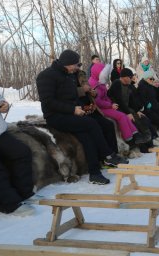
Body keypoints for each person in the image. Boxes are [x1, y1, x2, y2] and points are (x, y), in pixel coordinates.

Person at [37, 49, 125, 185]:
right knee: (91, 124)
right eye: (77, 65)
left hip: (71, 113)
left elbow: (72, 97)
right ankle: (108, 155)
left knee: (87, 138)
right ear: (68, 63)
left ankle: (95, 174)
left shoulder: (70, 74)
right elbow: (48, 102)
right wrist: (73, 110)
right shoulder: (46, 76)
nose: (78, 68)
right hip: (55, 116)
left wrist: (82, 107)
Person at [0, 84, 36, 216]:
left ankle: (24, 193)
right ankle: (10, 204)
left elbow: (0, 99)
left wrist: (4, 105)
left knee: (22, 153)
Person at [88, 63, 149, 146]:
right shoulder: (95, 85)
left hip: (108, 105)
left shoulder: (101, 83)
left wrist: (111, 103)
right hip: (100, 108)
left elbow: (107, 97)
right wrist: (110, 105)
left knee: (126, 115)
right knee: (122, 116)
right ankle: (129, 139)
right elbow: (98, 101)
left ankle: (136, 135)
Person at [108, 68, 154, 152]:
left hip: (126, 107)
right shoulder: (117, 83)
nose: (132, 78)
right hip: (117, 107)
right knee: (133, 120)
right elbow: (119, 100)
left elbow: (131, 101)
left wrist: (137, 111)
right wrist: (128, 113)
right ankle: (139, 147)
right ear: (124, 77)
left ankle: (148, 143)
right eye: (130, 77)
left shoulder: (129, 85)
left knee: (142, 118)